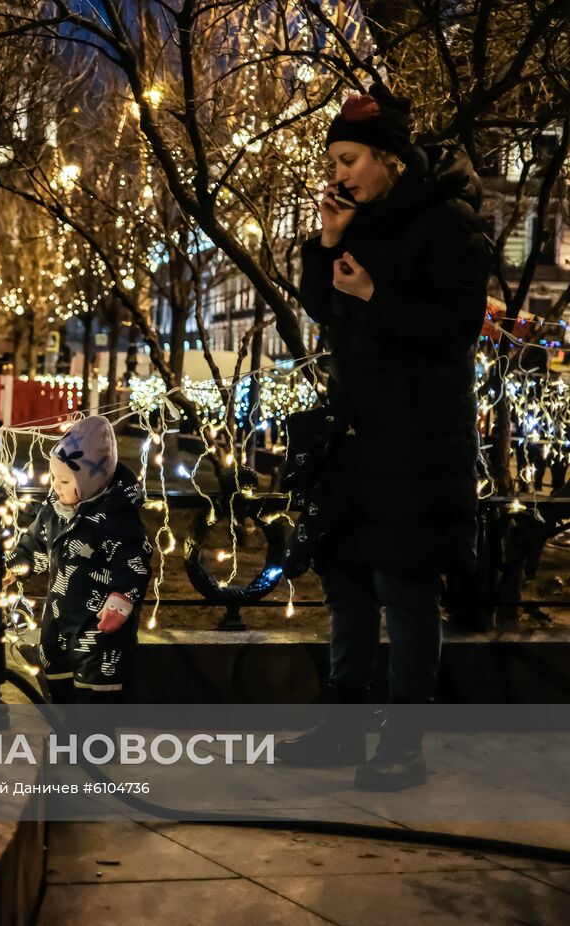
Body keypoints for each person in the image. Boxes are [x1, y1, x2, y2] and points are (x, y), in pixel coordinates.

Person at [279, 85, 495, 790]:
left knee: (404, 586)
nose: (337, 174)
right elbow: (322, 308)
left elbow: (456, 327)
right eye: (334, 161)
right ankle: (343, 725)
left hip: (418, 438)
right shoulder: (358, 221)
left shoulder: (448, 220)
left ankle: (404, 742)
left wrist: (377, 295)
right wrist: (329, 241)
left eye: (349, 160)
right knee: (345, 578)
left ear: (389, 159)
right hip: (356, 435)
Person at [6, 415, 153, 703]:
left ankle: (91, 744)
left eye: (64, 480)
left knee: (94, 697)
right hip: (58, 620)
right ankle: (64, 737)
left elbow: (134, 561)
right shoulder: (54, 510)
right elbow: (36, 544)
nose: (56, 486)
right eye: (54, 478)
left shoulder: (117, 520)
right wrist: (14, 566)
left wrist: (121, 598)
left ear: (90, 480)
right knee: (57, 683)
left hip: (98, 630)